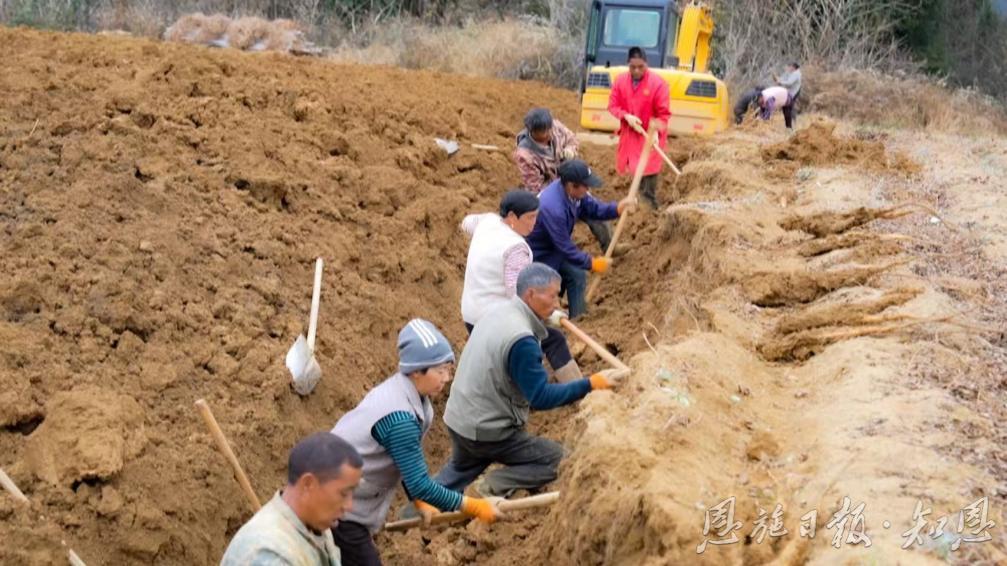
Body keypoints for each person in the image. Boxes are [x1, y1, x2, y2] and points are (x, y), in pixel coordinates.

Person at [434, 263, 630, 497]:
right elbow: (540, 397)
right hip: (489, 431)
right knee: (560, 460)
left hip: (460, 419)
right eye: (553, 296)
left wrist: (547, 317)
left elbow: (525, 320)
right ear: (531, 294)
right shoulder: (522, 341)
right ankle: (491, 485)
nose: (558, 303)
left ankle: (417, 509)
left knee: (456, 474)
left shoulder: (501, 310)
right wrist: (590, 384)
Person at [330, 319, 502, 565]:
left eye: (448, 369)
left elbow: (404, 461)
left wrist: (419, 502)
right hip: (338, 504)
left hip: (353, 497)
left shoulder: (413, 397)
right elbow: (420, 483)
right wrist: (473, 506)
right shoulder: (399, 418)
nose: (447, 378)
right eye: (440, 371)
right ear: (416, 371)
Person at [461, 191, 583, 382]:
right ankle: (577, 389)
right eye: (530, 217)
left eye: (536, 216)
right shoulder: (516, 249)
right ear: (512, 216)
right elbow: (517, 296)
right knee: (553, 340)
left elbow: (466, 222)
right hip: (494, 320)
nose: (534, 223)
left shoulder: (488, 221)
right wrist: (547, 315)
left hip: (471, 315)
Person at [220, 432, 363, 566]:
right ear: (308, 484)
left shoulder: (316, 526)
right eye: (344, 493)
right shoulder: (269, 554)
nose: (349, 506)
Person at [525, 160, 636, 319]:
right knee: (549, 290)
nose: (588, 189)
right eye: (586, 185)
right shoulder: (553, 208)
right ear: (572, 186)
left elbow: (594, 208)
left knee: (577, 274)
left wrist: (617, 208)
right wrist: (592, 263)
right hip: (540, 256)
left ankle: (578, 318)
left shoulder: (574, 194)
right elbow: (565, 247)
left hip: (554, 250)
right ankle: (549, 319)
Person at [512, 107, 613, 252]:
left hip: (570, 182)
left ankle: (610, 247)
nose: (548, 135)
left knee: (594, 211)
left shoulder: (556, 127)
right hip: (550, 192)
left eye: (548, 130)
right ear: (532, 132)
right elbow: (535, 187)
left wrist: (571, 150)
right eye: (542, 133)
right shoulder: (525, 155)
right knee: (558, 227)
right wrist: (562, 195)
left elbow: (572, 139)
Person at [607, 46, 672, 210]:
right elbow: (612, 106)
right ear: (628, 65)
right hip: (630, 135)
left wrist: (656, 131)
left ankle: (649, 210)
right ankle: (632, 205)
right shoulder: (620, 81)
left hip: (650, 136)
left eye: (640, 67)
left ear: (646, 64)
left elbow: (664, 115)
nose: (636, 71)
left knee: (648, 175)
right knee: (631, 172)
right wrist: (626, 116)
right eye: (633, 67)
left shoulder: (658, 84)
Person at [774, 62, 802, 129]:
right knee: (788, 108)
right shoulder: (790, 72)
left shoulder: (796, 74)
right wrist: (778, 79)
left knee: (787, 108)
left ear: (793, 67)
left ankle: (790, 126)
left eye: (790, 66)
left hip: (793, 93)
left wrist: (780, 82)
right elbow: (783, 78)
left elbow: (789, 83)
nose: (788, 68)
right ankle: (791, 124)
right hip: (789, 92)